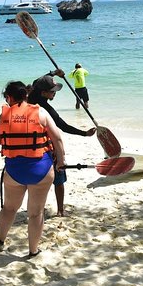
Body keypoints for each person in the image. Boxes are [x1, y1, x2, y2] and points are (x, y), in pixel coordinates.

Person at [0, 80, 66, 257]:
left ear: (9, 97)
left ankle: (0, 242)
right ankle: (32, 250)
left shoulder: (3, 116)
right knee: (35, 213)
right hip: (42, 171)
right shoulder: (41, 112)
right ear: (26, 95)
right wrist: (61, 160)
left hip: (15, 172)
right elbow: (57, 139)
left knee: (8, 209)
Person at [27, 70, 96, 216]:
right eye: (52, 91)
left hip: (31, 146)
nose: (55, 93)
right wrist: (84, 133)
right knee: (59, 177)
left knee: (35, 182)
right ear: (44, 93)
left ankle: (37, 208)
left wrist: (52, 73)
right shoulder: (45, 109)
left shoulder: (31, 98)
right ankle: (60, 210)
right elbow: (63, 126)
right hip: (46, 147)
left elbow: (38, 80)